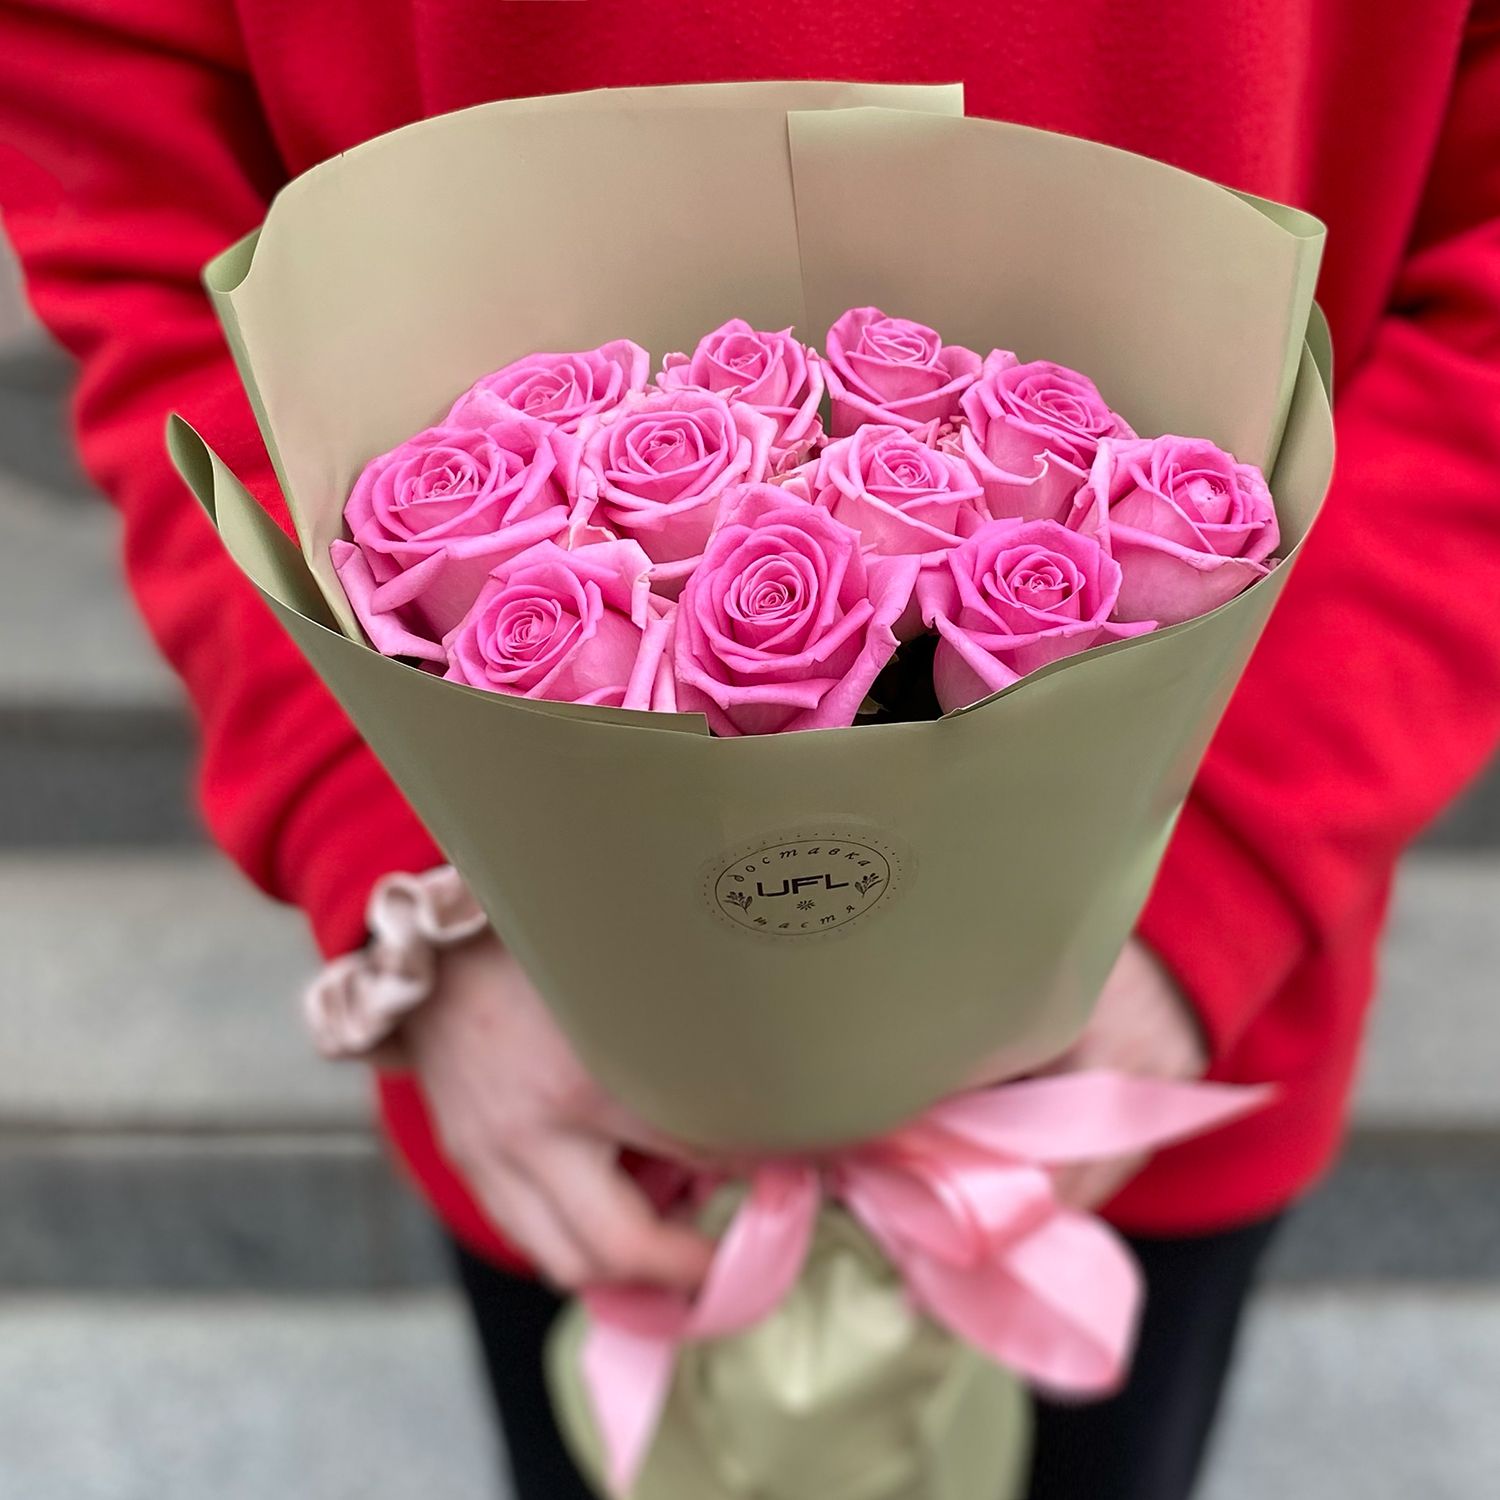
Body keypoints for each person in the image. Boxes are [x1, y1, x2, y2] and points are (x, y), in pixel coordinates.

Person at [2, 3, 1496, 1496]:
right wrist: (412, 864)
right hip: (548, 1045)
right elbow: (117, 136)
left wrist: (1226, 852)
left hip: (1126, 1063)